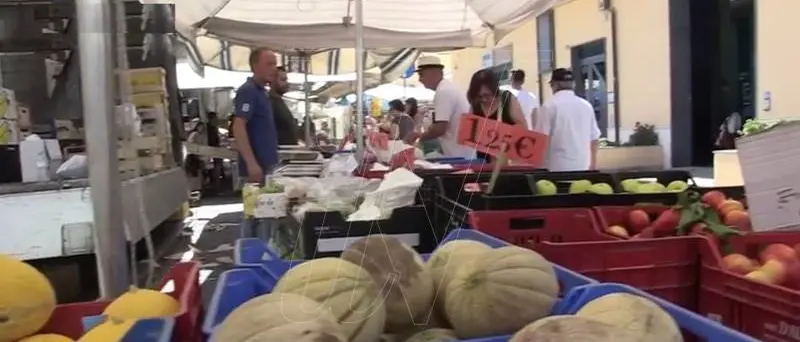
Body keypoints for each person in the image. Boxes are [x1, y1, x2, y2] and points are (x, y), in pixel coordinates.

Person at [533, 68, 601, 171]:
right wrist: (593, 164)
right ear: (573, 84)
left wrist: (537, 166)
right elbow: (595, 138)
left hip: (556, 169)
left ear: (554, 84)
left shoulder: (549, 106)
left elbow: (540, 139)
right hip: (583, 168)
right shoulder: (586, 106)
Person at [232, 48, 279, 184]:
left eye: (275, 64)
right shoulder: (248, 91)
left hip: (267, 166)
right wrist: (251, 163)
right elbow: (238, 126)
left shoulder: (263, 92)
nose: (274, 69)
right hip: (256, 170)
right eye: (269, 64)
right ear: (255, 66)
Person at [411, 56, 474, 158]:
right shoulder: (447, 88)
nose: (419, 79)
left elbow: (440, 129)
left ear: (434, 72)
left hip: (458, 155)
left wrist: (419, 138)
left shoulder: (443, 92)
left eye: (421, 74)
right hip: (461, 151)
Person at [466, 69, 527, 163]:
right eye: (479, 96)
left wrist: (501, 136)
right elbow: (468, 132)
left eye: (486, 95)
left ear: (495, 90)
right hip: (483, 162)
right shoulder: (476, 104)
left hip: (507, 163)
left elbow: (523, 128)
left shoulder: (507, 99)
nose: (483, 99)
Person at [269, 66, 300, 145]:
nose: (287, 83)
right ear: (272, 81)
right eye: (283, 80)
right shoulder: (270, 102)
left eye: (286, 80)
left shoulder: (278, 101)